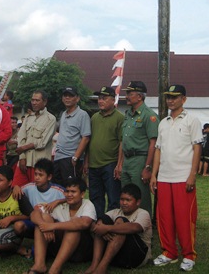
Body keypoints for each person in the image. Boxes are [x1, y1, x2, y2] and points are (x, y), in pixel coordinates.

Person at [150, 84, 203, 272]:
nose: (170, 100)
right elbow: (158, 150)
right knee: (164, 217)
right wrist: (154, 175)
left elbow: (197, 147)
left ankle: (189, 255)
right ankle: (169, 252)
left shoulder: (192, 120)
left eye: (175, 97)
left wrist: (192, 174)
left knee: (184, 218)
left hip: (183, 177)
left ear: (184, 99)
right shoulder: (163, 122)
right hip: (164, 177)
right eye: (168, 97)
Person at [25, 177, 96, 274]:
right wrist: (44, 225)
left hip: (81, 251)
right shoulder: (61, 206)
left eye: (73, 192)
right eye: (67, 191)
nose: (69, 194)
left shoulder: (87, 204)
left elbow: (84, 223)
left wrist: (52, 226)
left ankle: (55, 270)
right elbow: (34, 214)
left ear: (82, 194)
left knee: (73, 228)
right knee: (43, 219)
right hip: (60, 249)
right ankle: (39, 265)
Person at [84, 183, 152, 274]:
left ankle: (101, 268)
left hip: (136, 257)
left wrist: (107, 228)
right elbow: (96, 224)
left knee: (121, 222)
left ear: (138, 202)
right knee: (103, 219)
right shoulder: (116, 211)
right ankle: (94, 265)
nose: (124, 203)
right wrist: (101, 225)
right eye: (122, 199)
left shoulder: (143, 213)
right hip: (118, 256)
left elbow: (135, 227)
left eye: (128, 200)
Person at [84, 86, 124, 218]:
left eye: (104, 98)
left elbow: (121, 142)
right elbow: (90, 141)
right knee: (95, 197)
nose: (100, 101)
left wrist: (119, 164)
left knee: (113, 198)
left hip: (110, 163)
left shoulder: (119, 118)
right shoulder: (94, 117)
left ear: (113, 100)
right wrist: (86, 162)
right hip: (94, 165)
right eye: (99, 98)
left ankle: (111, 225)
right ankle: (97, 225)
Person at [121, 81, 159, 216]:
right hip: (127, 159)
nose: (127, 96)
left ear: (140, 97)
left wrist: (147, 167)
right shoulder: (128, 114)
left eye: (130, 93)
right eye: (127, 93)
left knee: (140, 196)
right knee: (126, 195)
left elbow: (153, 143)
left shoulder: (149, 115)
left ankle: (144, 228)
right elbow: (123, 140)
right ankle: (128, 224)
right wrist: (120, 164)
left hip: (140, 159)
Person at [13, 158, 65, 253]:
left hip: (51, 223)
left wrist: (58, 201)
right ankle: (17, 244)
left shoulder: (57, 190)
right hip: (34, 222)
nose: (36, 177)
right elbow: (17, 190)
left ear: (49, 177)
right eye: (35, 174)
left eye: (40, 175)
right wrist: (15, 187)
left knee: (35, 251)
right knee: (18, 226)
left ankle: (42, 245)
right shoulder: (29, 187)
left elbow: (72, 197)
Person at [13, 90, 56, 186]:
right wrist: (22, 157)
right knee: (17, 190)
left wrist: (24, 147)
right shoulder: (28, 118)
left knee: (37, 192)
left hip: (40, 164)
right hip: (24, 161)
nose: (34, 103)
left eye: (37, 100)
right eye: (32, 100)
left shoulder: (51, 119)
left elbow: (43, 142)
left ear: (44, 102)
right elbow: (21, 138)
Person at [53, 87, 91, 186]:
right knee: (57, 188)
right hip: (58, 157)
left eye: (71, 96)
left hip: (71, 158)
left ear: (77, 98)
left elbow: (86, 138)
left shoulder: (82, 115)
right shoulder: (63, 114)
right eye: (65, 96)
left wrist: (75, 157)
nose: (67, 98)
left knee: (71, 189)